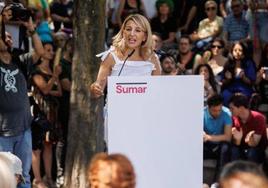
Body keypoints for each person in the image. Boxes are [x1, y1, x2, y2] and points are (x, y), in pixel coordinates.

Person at [90, 14, 161, 142]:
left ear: (145, 36)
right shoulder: (111, 57)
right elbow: (97, 89)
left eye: (137, 30)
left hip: (144, 117)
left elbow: (158, 91)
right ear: (123, 32)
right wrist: (94, 88)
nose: (132, 34)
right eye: (128, 29)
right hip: (116, 118)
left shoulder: (152, 59)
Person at [0, 5, 44, 188]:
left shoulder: (20, 60)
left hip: (24, 128)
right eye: (4, 36)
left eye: (11, 36)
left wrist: (30, 28)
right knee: (5, 178)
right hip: (3, 133)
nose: (9, 38)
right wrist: (3, 17)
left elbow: (40, 52)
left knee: (23, 176)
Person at [31, 42, 62, 188]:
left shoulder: (51, 71)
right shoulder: (36, 71)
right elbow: (44, 90)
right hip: (40, 113)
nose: (51, 52)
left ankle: (49, 177)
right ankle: (37, 179)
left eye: (52, 50)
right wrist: (54, 77)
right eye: (47, 49)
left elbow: (59, 92)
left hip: (52, 114)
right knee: (37, 147)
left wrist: (53, 77)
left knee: (49, 145)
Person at [229, 93, 267, 163]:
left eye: (232, 108)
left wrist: (250, 139)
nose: (230, 110)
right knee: (233, 150)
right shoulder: (233, 119)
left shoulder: (259, 118)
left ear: (241, 108)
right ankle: (234, 173)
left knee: (252, 152)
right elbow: (237, 144)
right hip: (242, 148)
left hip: (256, 149)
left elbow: (255, 144)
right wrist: (238, 140)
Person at [203, 94, 232, 174]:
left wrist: (209, 137)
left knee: (225, 148)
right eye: (214, 110)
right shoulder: (201, 113)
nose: (217, 113)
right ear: (208, 107)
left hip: (220, 145)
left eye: (219, 110)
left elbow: (228, 137)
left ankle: (218, 182)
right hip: (206, 145)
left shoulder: (227, 113)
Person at [220, 41, 256, 106]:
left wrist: (244, 77)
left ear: (243, 52)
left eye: (240, 50)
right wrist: (228, 79)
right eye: (235, 50)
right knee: (225, 96)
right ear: (232, 52)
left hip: (244, 88)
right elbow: (223, 81)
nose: (237, 52)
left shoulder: (248, 63)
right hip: (230, 88)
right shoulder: (228, 63)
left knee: (241, 99)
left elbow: (251, 82)